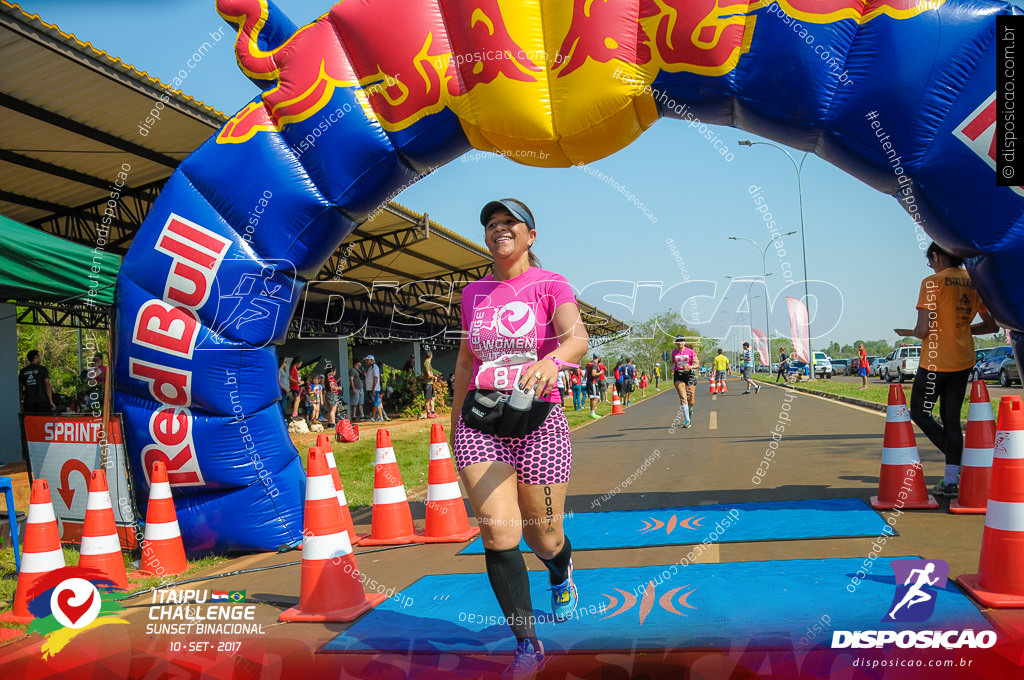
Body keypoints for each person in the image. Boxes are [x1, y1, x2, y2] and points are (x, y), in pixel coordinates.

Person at [451, 198, 588, 675]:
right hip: (481, 422)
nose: (499, 229)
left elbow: (577, 339)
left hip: (538, 421)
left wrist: (552, 361)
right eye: (491, 223)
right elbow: (467, 364)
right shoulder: (472, 293)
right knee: (499, 533)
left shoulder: (551, 284)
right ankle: (527, 644)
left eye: (510, 223)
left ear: (531, 236)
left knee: (543, 537)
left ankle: (561, 571)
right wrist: (454, 430)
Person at [895, 242, 997, 497]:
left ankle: (959, 459)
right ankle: (951, 480)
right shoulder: (975, 281)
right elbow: (992, 325)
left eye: (930, 261)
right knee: (951, 419)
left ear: (937, 256)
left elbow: (922, 330)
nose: (930, 266)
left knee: (920, 412)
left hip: (935, 362)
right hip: (963, 359)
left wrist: (914, 333)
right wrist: (962, 330)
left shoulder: (932, 283)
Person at [671, 338, 699, 427]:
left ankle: (690, 408)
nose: (679, 342)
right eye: (677, 341)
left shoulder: (690, 352)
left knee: (691, 400)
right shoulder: (674, 352)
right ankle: (687, 420)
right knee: (683, 398)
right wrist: (672, 368)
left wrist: (690, 366)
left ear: (684, 342)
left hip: (689, 375)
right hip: (678, 375)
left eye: (681, 341)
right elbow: (673, 363)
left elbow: (697, 365)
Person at [20, 349, 54, 414]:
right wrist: (51, 401)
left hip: (29, 403)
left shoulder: (23, 371)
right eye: (39, 356)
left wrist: (21, 403)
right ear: (35, 357)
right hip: (42, 401)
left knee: (30, 422)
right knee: (43, 421)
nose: (40, 358)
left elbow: (20, 389)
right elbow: (47, 385)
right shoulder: (42, 369)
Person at [364, 355, 387, 422]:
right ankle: (373, 417)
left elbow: (375, 378)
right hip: (370, 389)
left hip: (374, 389)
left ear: (371, 360)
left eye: (367, 360)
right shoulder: (370, 368)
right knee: (374, 404)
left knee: (377, 403)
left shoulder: (375, 367)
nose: (366, 361)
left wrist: (373, 389)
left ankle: (381, 417)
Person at [585, 354, 602, 419]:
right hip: (593, 382)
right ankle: (593, 413)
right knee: (596, 398)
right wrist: (600, 373)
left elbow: (586, 373)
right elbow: (593, 374)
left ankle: (592, 412)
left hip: (590, 382)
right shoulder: (594, 364)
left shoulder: (589, 363)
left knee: (593, 398)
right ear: (598, 357)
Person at [422, 350, 438, 418]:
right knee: (428, 399)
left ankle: (433, 411)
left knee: (433, 397)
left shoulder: (427, 363)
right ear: (431, 356)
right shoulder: (427, 364)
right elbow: (429, 375)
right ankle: (428, 412)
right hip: (427, 383)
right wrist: (434, 377)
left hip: (430, 383)